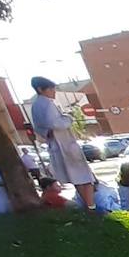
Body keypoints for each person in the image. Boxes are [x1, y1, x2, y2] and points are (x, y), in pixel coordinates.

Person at [28, 76, 97, 209]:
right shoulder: (47, 104)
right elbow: (55, 123)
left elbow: (40, 128)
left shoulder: (36, 106)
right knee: (86, 178)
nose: (54, 91)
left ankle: (88, 206)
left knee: (77, 179)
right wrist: (68, 119)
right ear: (41, 89)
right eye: (51, 88)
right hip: (66, 146)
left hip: (56, 146)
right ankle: (91, 206)